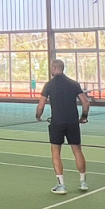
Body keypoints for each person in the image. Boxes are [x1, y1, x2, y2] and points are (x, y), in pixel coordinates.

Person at [35, 58, 91, 194]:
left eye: (51, 67)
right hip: (72, 123)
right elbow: (86, 103)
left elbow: (41, 105)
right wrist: (83, 117)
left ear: (54, 68)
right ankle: (83, 182)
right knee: (77, 150)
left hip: (57, 123)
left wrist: (38, 115)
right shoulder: (74, 84)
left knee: (55, 152)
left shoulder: (49, 85)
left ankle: (61, 185)